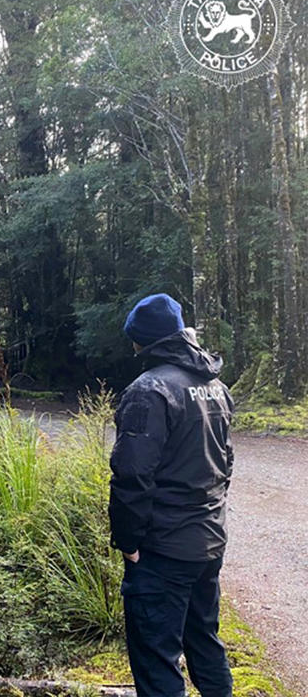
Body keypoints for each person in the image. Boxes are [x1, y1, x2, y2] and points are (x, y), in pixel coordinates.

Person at [109, 293, 235, 697]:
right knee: (205, 644)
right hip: (208, 542)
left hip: (162, 551)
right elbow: (224, 463)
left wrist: (128, 542)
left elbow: (131, 474)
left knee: (156, 660)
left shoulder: (149, 390)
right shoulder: (215, 386)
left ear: (142, 341)